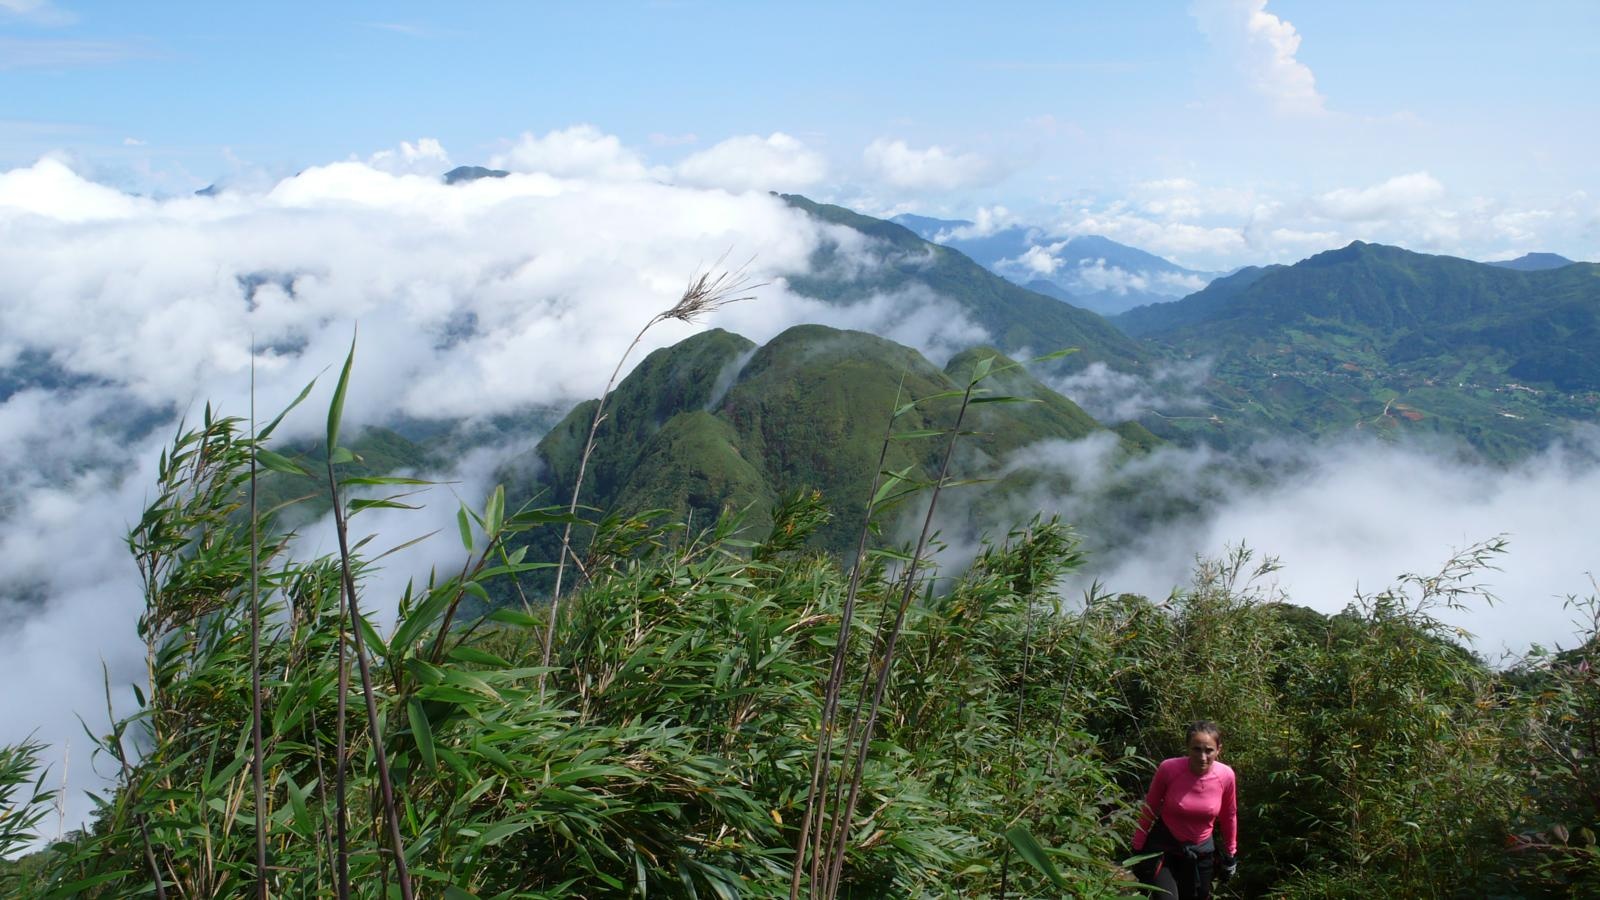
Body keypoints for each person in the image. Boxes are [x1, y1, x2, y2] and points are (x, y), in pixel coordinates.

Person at [1130, 720, 1238, 900]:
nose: (1202, 757)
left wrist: (1230, 853)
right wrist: (1137, 845)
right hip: (1164, 848)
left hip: (1201, 853)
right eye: (1196, 749)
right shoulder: (1169, 769)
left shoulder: (1226, 776)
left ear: (1219, 750)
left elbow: (1229, 815)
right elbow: (1150, 806)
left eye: (1209, 750)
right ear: (1187, 747)